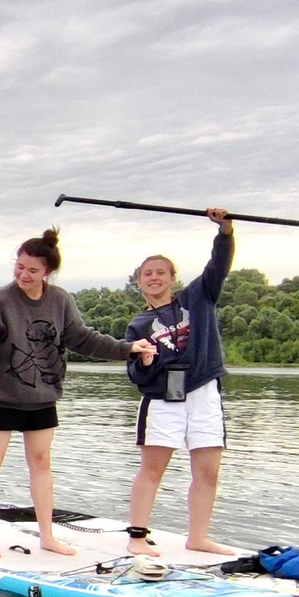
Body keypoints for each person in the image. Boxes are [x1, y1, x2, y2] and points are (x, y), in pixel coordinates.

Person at [0, 228, 155, 558]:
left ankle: (47, 535)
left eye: (32, 270)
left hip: (42, 396)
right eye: (19, 266)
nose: (23, 274)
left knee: (41, 462)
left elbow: (85, 339)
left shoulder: (59, 301)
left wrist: (128, 348)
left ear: (47, 272)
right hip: (0, 396)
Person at [124, 208, 237, 556]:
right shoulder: (139, 325)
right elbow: (136, 376)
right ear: (139, 282)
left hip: (204, 392)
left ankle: (198, 537)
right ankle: (137, 538)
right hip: (163, 400)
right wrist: (144, 362)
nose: (154, 277)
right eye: (147, 274)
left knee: (209, 472)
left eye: (161, 272)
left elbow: (219, 263)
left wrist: (225, 230)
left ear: (172, 277)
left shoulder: (198, 298)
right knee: (153, 469)